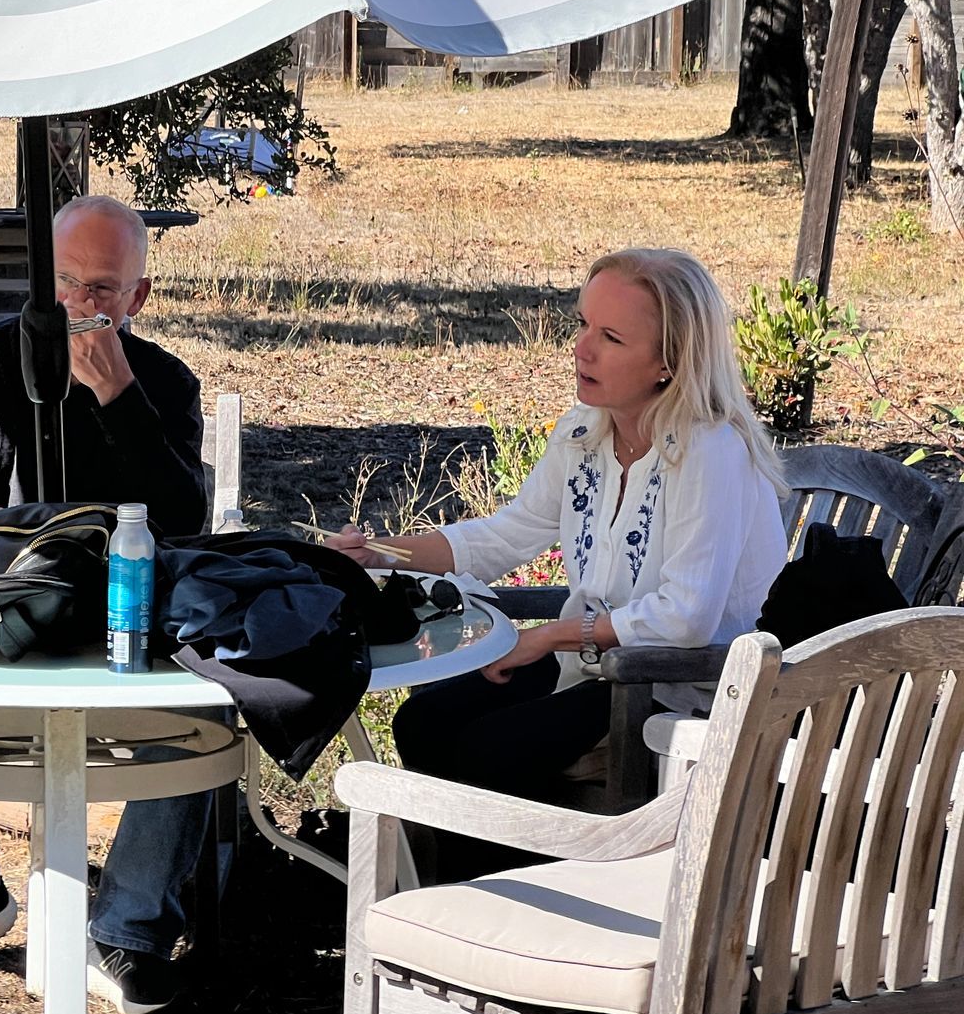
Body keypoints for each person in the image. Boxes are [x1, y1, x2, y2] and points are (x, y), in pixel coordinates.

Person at [332, 248, 786, 876]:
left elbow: (688, 617)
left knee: (489, 751)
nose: (582, 348)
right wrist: (381, 553)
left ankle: (516, 906)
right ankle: (465, 895)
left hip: (671, 687)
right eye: (582, 325)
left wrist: (547, 636)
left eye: (611, 337)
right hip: (590, 666)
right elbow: (506, 535)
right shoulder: (586, 432)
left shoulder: (709, 451)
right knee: (422, 723)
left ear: (668, 362)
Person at [0, 194, 212, 1014]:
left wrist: (120, 400)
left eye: (101, 290)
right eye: (62, 284)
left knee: (207, 708)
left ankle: (127, 928)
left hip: (115, 621)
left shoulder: (163, 381)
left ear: (138, 298)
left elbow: (186, 519)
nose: (78, 307)